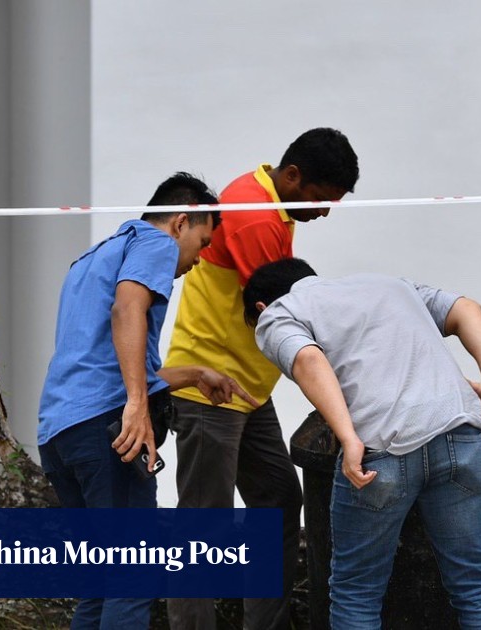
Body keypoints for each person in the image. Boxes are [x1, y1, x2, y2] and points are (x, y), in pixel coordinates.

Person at [37, 172, 256, 630]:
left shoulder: (92, 259)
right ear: (180, 222)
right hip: (107, 432)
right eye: (203, 240)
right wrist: (137, 405)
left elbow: (108, 356)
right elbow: (127, 311)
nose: (201, 257)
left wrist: (195, 374)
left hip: (60, 434)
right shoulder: (155, 244)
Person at [245, 258, 481, 630]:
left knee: (357, 594)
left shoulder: (278, 313)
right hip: (460, 434)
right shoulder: (391, 285)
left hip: (384, 451)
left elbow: (307, 359)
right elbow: (466, 308)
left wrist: (349, 438)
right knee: (476, 585)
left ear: (260, 307)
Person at [164, 128, 359, 630]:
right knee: (202, 526)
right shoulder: (254, 216)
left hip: (248, 391)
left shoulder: (266, 200)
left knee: (276, 500)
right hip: (209, 388)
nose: (324, 212)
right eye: (320, 199)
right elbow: (285, 312)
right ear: (291, 176)